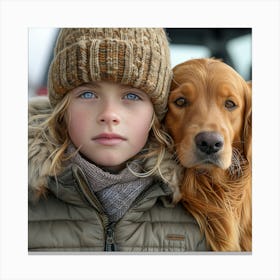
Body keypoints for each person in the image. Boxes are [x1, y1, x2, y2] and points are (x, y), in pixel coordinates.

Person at [28, 28, 209, 252]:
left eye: (132, 95)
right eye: (87, 94)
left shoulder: (199, 204)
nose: (109, 114)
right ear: (62, 108)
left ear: (156, 111)